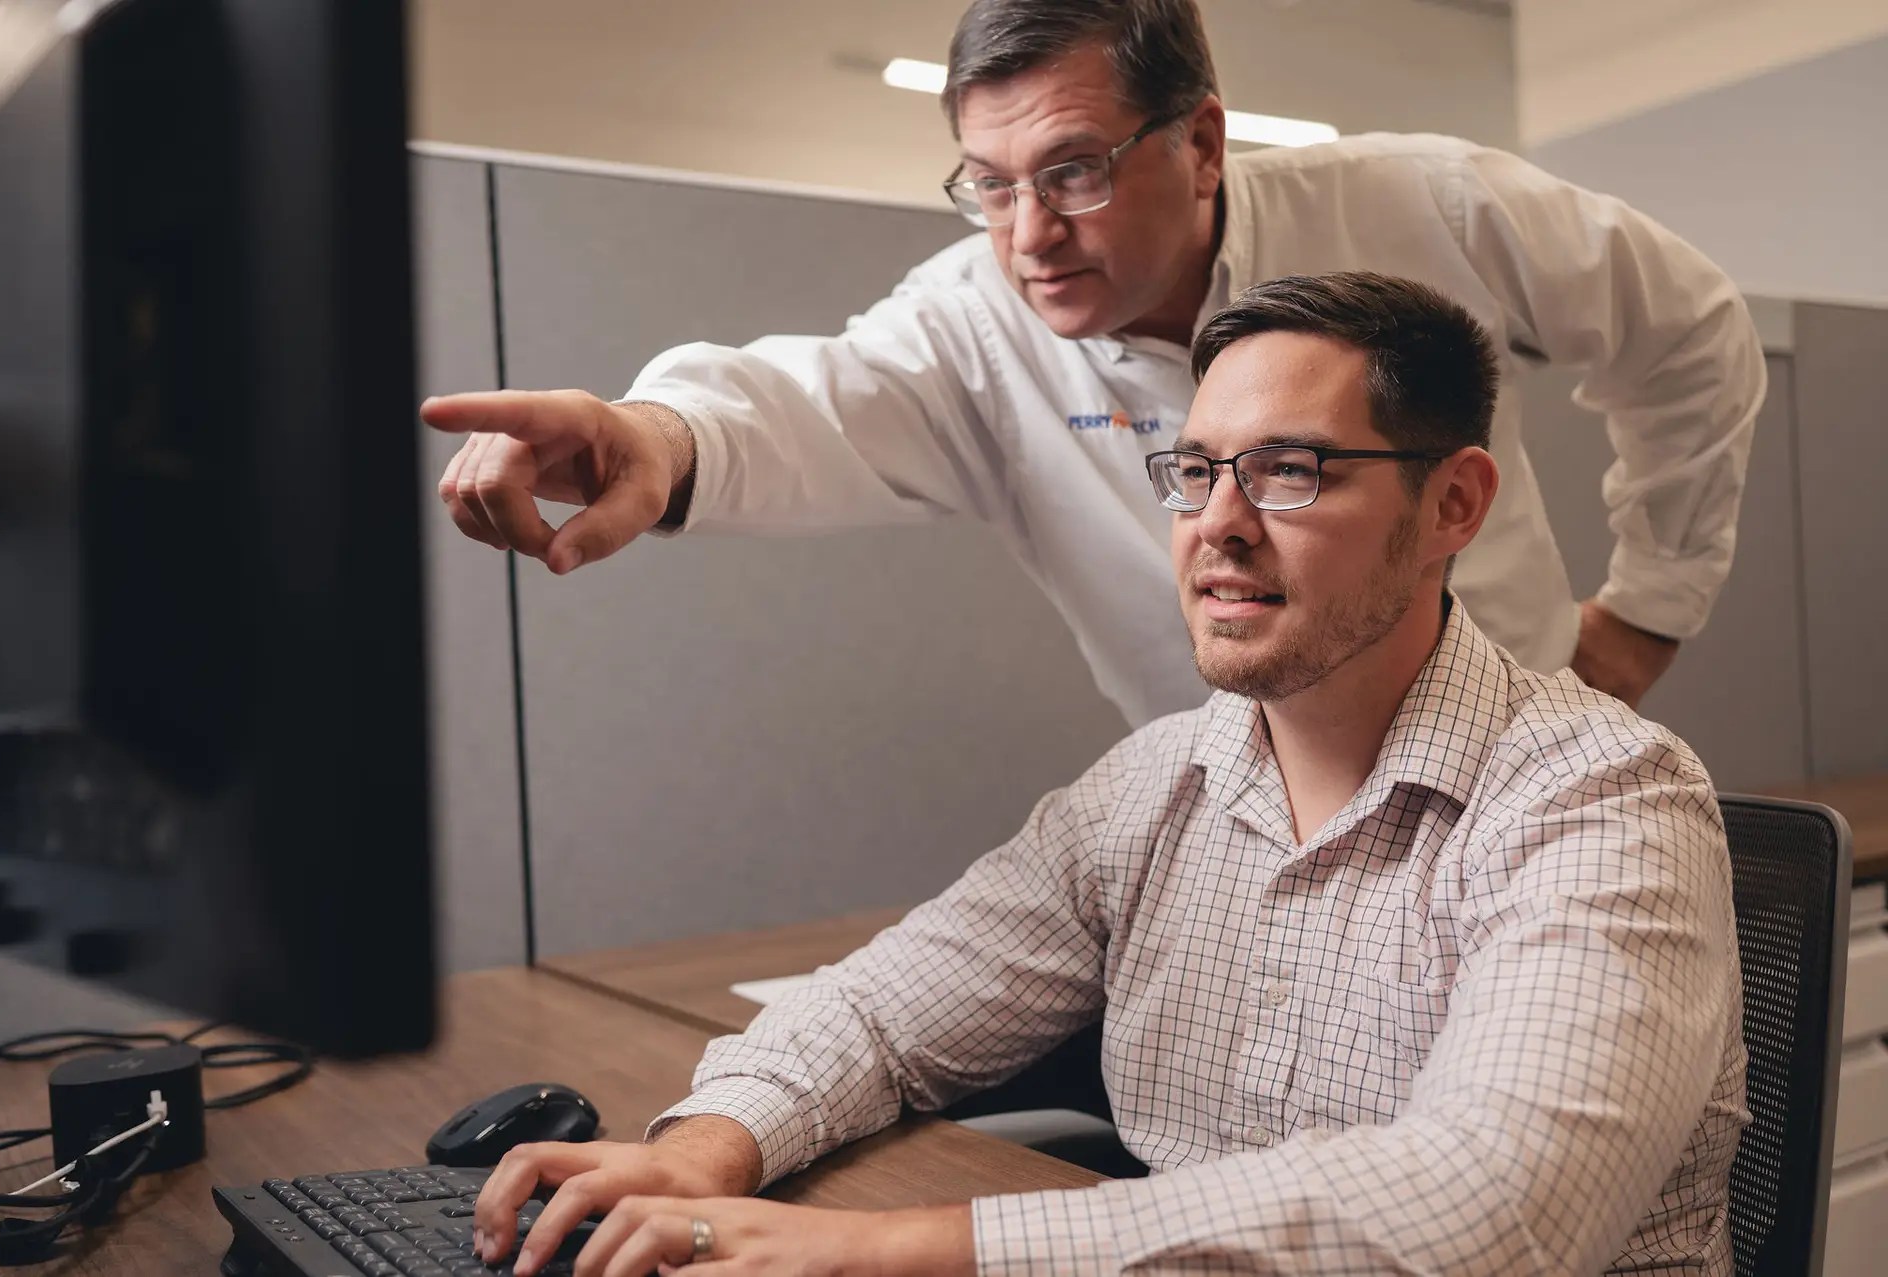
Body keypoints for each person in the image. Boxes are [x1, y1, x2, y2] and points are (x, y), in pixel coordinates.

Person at [466, 273, 1747, 1277]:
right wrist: (704, 1152)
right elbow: (877, 1011)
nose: (1218, 523)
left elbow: (1488, 1215)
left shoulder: (1601, 798)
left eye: (1289, 470)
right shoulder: (1153, 790)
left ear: (1456, 504)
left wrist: (854, 1246)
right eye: (1194, 472)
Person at [424, 0, 1766, 722]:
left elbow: (1693, 328)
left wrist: (1649, 610)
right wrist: (650, 435)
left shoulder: (1427, 208)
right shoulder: (977, 319)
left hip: (1510, 773)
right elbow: (805, 405)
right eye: (989, 183)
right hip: (1238, 823)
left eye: (1072, 170)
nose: (1028, 236)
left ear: (1202, 142)